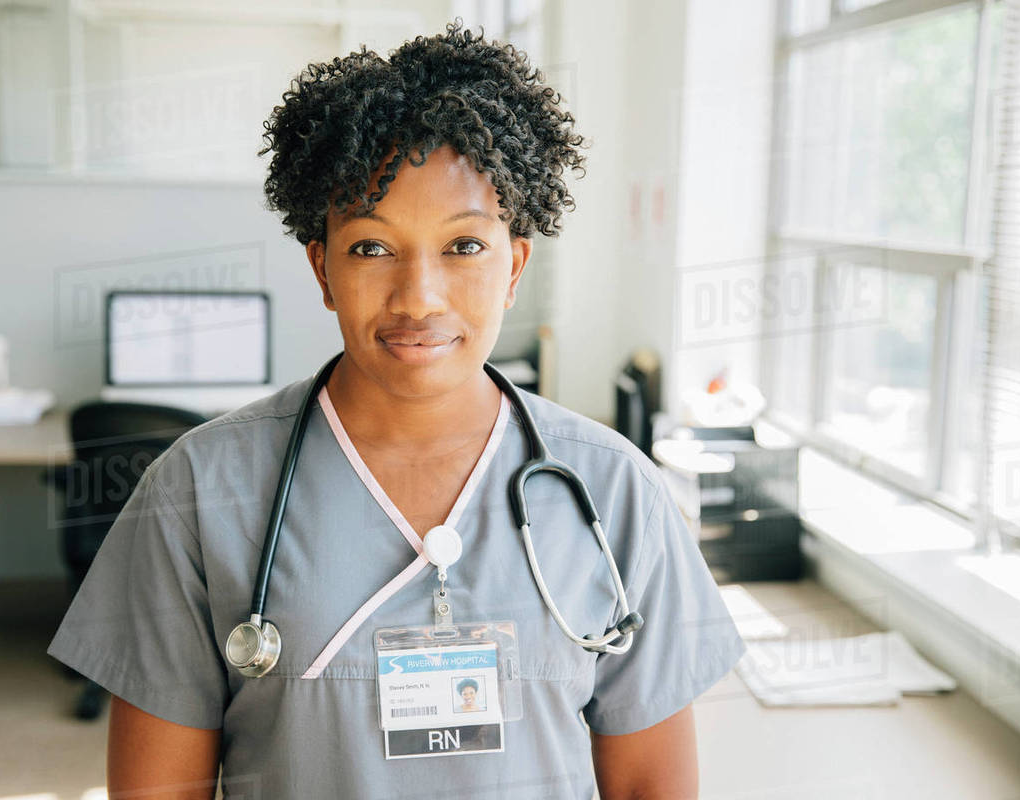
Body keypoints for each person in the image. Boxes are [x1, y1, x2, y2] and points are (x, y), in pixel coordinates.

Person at [46, 19, 747, 800]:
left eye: (465, 247)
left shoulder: (616, 493)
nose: (419, 297)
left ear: (514, 265)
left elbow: (651, 784)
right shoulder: (198, 493)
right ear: (322, 268)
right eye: (372, 248)